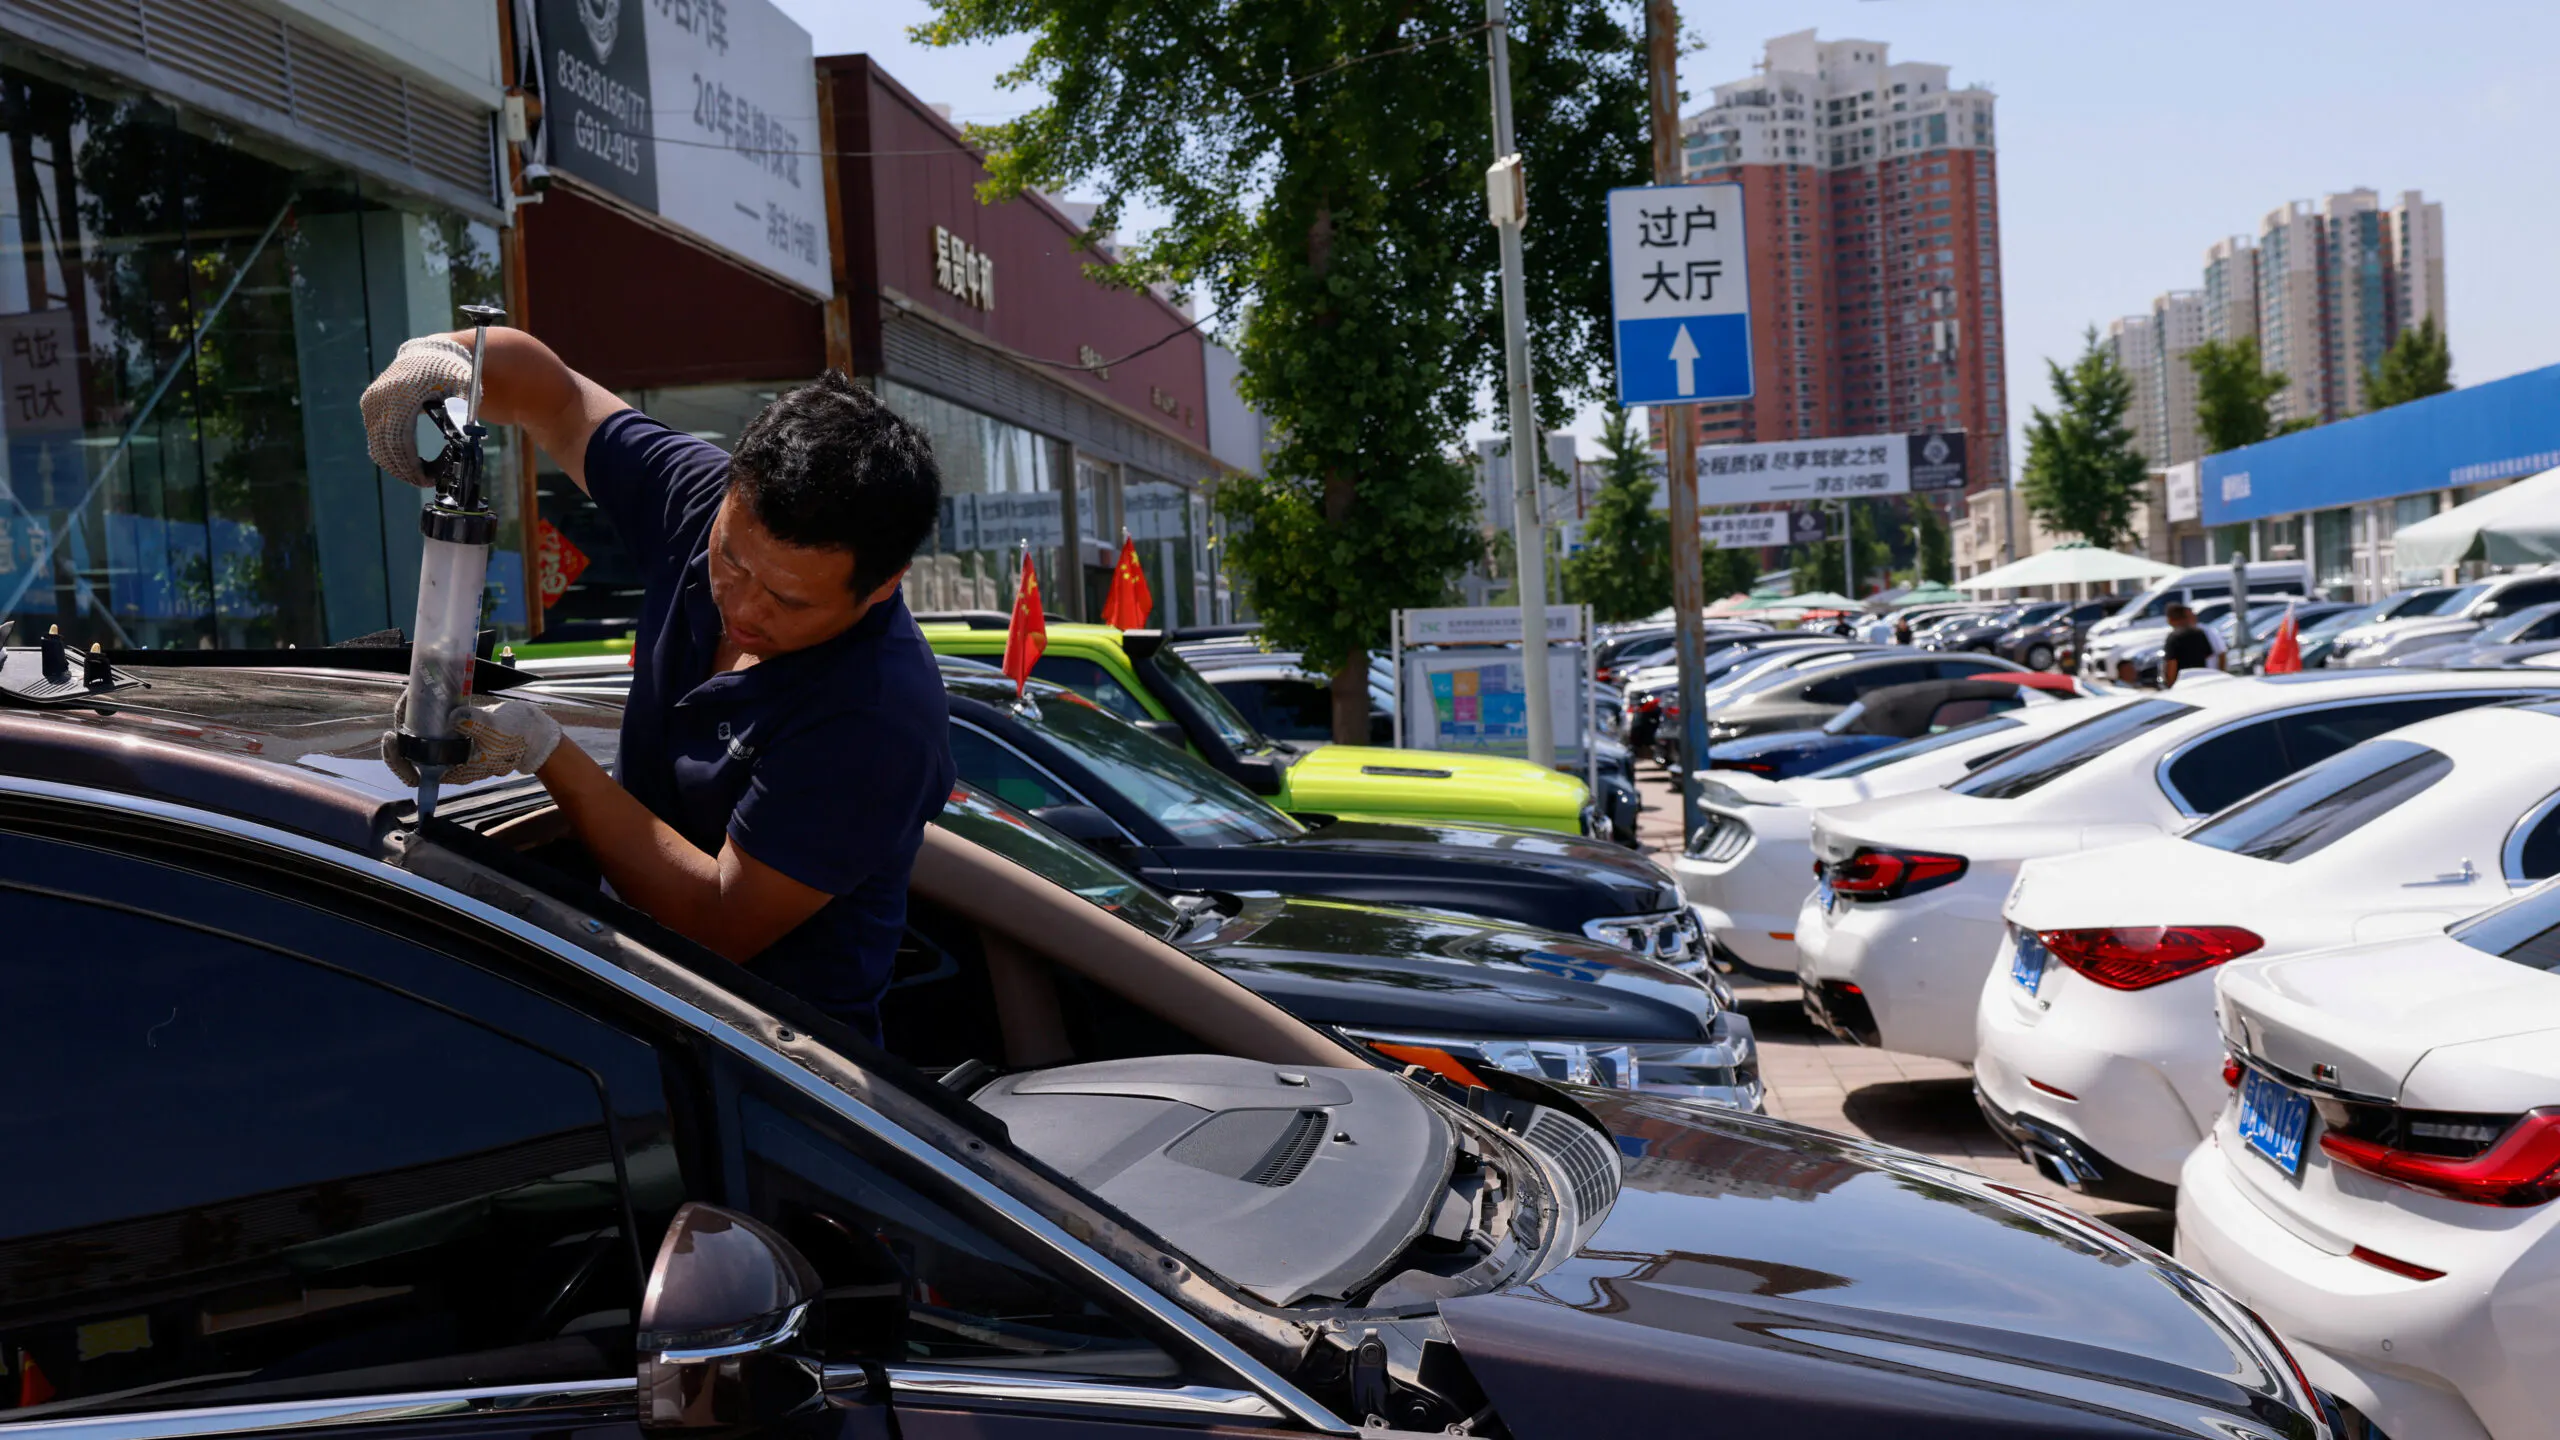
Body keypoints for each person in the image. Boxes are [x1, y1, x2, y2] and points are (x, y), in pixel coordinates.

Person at [361, 329, 954, 1045]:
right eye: (730, 560)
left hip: (770, 1067)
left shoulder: (877, 714)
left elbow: (716, 920)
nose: (743, 606)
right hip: (625, 995)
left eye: (788, 600)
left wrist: (545, 750)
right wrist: (447, 359)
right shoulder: (705, 497)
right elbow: (559, 400)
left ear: (884, 585)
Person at [2161, 602, 2219, 687]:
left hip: (2182, 683)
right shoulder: (2200, 633)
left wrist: (2171, 685)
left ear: (2171, 619)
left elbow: (2171, 663)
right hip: (2202, 680)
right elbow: (2209, 657)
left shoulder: (2173, 637)